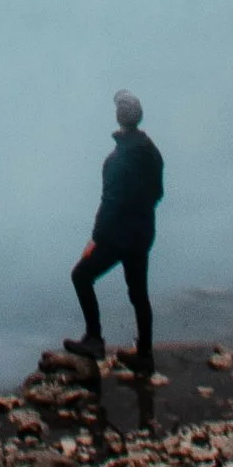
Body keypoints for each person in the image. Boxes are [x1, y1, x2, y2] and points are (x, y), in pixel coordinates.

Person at [71, 88, 163, 371]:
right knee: (138, 294)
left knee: (81, 276)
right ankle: (145, 355)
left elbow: (109, 204)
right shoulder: (153, 154)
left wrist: (95, 240)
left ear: (119, 119)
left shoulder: (116, 161)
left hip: (118, 237)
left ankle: (94, 339)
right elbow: (157, 193)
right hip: (143, 234)